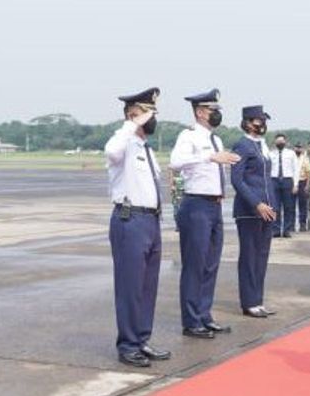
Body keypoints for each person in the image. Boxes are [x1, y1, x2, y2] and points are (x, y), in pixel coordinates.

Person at [104, 87, 171, 368]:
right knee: (130, 287)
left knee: (147, 287)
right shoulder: (123, 145)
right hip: (129, 220)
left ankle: (141, 339)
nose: (154, 119)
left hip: (150, 221)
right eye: (149, 113)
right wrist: (131, 123)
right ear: (135, 115)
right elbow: (111, 150)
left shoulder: (146, 149)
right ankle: (128, 345)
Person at [170, 88, 240, 339]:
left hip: (214, 206)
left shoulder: (217, 139)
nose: (217, 114)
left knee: (211, 264)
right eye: (213, 110)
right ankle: (191, 321)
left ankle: (204, 314)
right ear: (200, 112)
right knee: (195, 265)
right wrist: (209, 157)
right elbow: (176, 162)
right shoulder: (188, 136)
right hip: (195, 205)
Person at [229, 105, 278, 318]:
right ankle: (249, 302)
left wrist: (272, 205)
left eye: (264, 121)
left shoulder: (262, 146)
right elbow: (237, 179)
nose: (263, 125)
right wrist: (256, 204)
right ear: (248, 122)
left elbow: (267, 180)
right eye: (259, 121)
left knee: (261, 257)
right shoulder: (242, 145)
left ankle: (258, 300)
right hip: (250, 211)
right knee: (249, 257)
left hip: (268, 209)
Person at [268, 134, 298, 238]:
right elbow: (268, 169)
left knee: (288, 207)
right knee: (275, 207)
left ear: (285, 142)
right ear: (275, 142)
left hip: (287, 179)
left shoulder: (291, 153)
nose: (280, 143)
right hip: (274, 180)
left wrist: (295, 184)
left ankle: (286, 230)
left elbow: (296, 169)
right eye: (278, 141)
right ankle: (275, 229)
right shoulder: (270, 154)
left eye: (282, 141)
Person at [295, 141, 310, 231]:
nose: (298, 149)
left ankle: (302, 223)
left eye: (300, 148)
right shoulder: (291, 157)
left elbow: (308, 173)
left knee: (303, 204)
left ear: (302, 149)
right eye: (297, 147)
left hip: (302, 181)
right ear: (294, 148)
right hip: (293, 183)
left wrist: (307, 185)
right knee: (291, 204)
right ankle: (291, 224)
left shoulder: (305, 159)